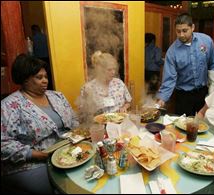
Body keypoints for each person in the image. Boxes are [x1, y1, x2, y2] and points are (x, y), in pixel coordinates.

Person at [1, 54, 78, 193]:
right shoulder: (9, 105)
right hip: (32, 162)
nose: (45, 81)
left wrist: (78, 135)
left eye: (46, 77)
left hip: (65, 151)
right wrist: (35, 154)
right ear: (25, 80)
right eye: (39, 77)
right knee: (60, 188)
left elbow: (74, 120)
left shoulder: (57, 96)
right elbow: (3, 143)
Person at [156, 13, 214, 116]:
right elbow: (169, 79)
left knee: (203, 124)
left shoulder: (206, 41)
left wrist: (212, 90)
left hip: (203, 93)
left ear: (192, 27)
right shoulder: (172, 52)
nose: (181, 35)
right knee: (182, 126)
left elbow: (213, 64)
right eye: (178, 31)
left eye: (185, 31)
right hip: (183, 96)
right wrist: (162, 99)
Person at [79, 51, 132, 118]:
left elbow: (128, 102)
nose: (113, 72)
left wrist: (124, 107)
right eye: (109, 70)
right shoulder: (88, 88)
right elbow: (83, 113)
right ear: (100, 70)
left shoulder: (119, 83)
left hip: (119, 121)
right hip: (99, 125)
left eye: (114, 69)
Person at [31, 24, 53, 90]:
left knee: (40, 76)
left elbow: (33, 50)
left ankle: (43, 88)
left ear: (34, 30)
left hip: (39, 59)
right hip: (48, 58)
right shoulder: (46, 36)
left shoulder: (34, 38)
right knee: (48, 74)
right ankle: (49, 87)